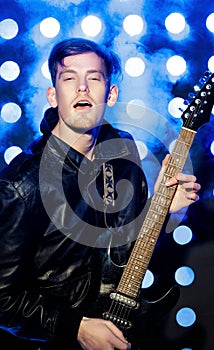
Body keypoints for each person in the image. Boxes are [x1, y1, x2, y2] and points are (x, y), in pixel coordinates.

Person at [0, 38, 200, 350]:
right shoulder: (23, 185)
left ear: (111, 93)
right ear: (53, 95)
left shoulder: (122, 155)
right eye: (69, 78)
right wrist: (74, 328)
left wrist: (164, 213)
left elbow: (123, 254)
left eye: (93, 77)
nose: (82, 88)